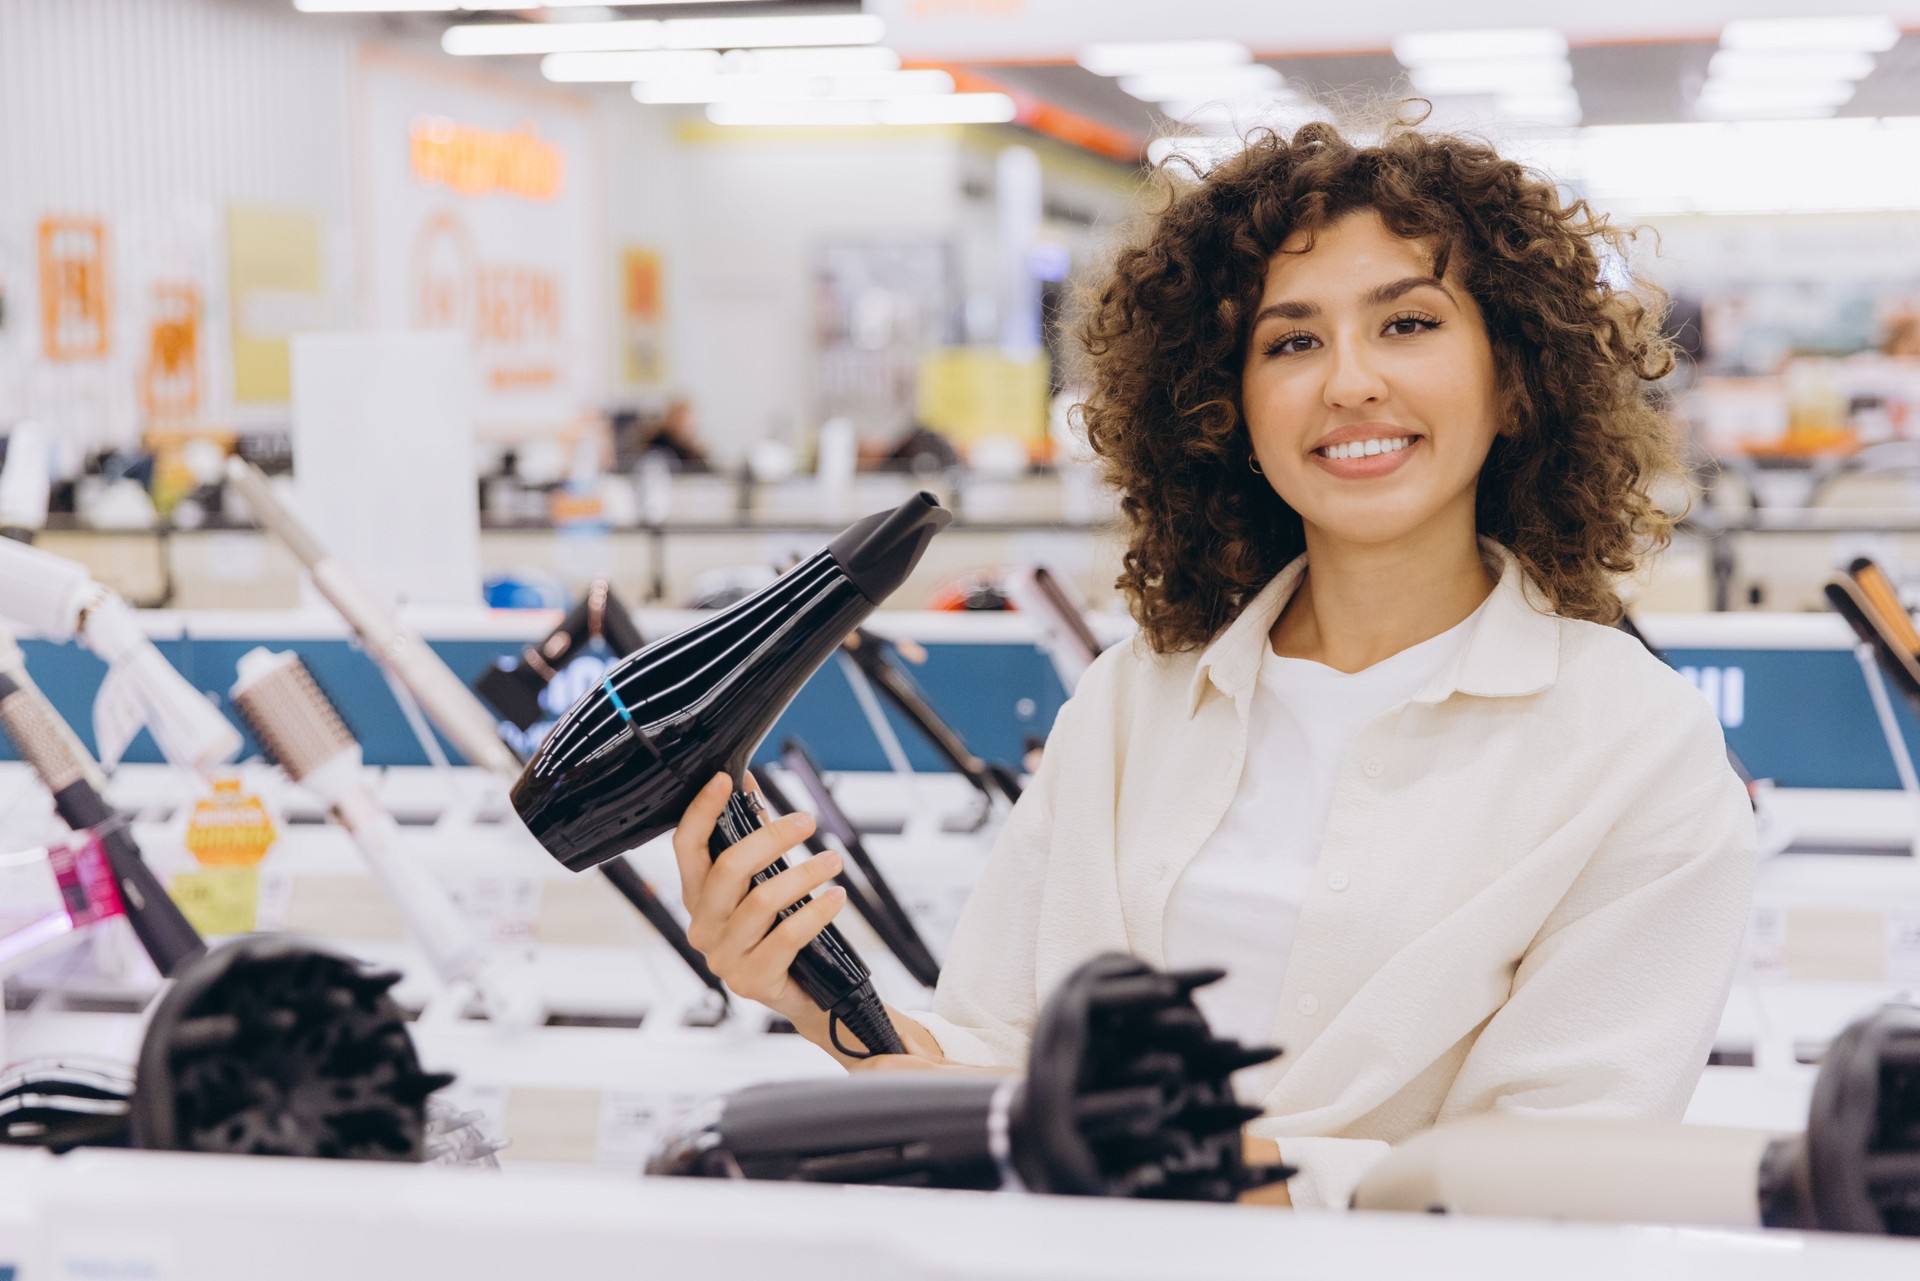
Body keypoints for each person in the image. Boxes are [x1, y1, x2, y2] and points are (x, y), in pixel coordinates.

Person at [668, 119, 1757, 1211]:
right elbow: (997, 1068)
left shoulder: (1634, 746)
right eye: (1292, 342)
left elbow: (1557, 1171)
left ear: (1516, 379)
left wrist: (1205, 1178)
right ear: (1226, 407)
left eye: (1409, 323)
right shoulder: (1136, 701)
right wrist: (811, 994)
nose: (1349, 382)